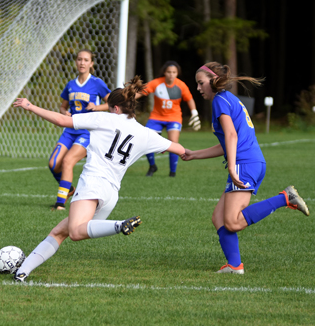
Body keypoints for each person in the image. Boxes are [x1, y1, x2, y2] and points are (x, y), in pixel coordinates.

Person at [12, 76, 186, 282]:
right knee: (60, 231)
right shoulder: (145, 133)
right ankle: (22, 272)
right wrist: (217, 152)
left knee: (75, 232)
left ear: (115, 108)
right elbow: (182, 150)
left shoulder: (103, 118)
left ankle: (120, 225)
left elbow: (61, 120)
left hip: (92, 185)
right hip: (111, 194)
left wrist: (30, 106)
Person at [182, 62, 310, 274]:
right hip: (250, 162)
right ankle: (234, 266)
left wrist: (232, 167)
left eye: (200, 83)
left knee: (232, 222)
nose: (198, 88)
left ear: (213, 81)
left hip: (245, 164)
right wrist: (195, 154)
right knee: (219, 218)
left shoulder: (220, 101)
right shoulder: (229, 99)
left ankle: (284, 198)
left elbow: (232, 136)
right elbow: (227, 142)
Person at [48, 49, 111, 210]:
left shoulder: (97, 83)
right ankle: (68, 189)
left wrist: (97, 107)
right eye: (79, 59)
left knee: (68, 161)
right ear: (76, 62)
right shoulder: (70, 85)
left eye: (85, 60)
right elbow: (62, 107)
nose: (82, 62)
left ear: (91, 63)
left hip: (87, 131)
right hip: (70, 130)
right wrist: (65, 112)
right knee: (53, 164)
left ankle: (60, 203)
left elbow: (112, 103)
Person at [136, 61, 200, 177]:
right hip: (156, 117)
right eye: (169, 72)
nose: (171, 74)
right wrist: (127, 99)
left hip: (174, 117)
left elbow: (190, 99)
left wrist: (194, 112)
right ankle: (152, 166)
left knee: (173, 143)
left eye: (174, 72)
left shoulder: (181, 85)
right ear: (164, 72)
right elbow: (140, 92)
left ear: (177, 73)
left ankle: (172, 173)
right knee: (147, 139)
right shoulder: (156, 83)